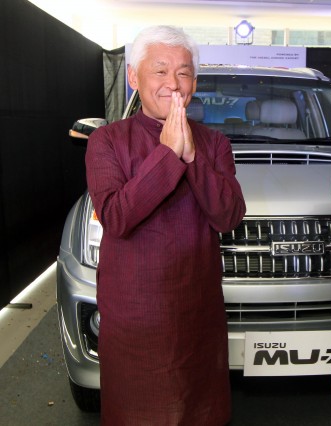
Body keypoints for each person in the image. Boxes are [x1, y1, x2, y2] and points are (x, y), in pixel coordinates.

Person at [85, 25, 246, 424]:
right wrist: (169, 153)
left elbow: (228, 216)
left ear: (195, 81)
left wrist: (192, 158)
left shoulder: (214, 144)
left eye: (184, 72)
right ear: (134, 78)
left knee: (200, 409)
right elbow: (117, 217)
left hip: (198, 310)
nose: (174, 84)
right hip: (135, 314)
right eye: (160, 71)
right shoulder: (107, 141)